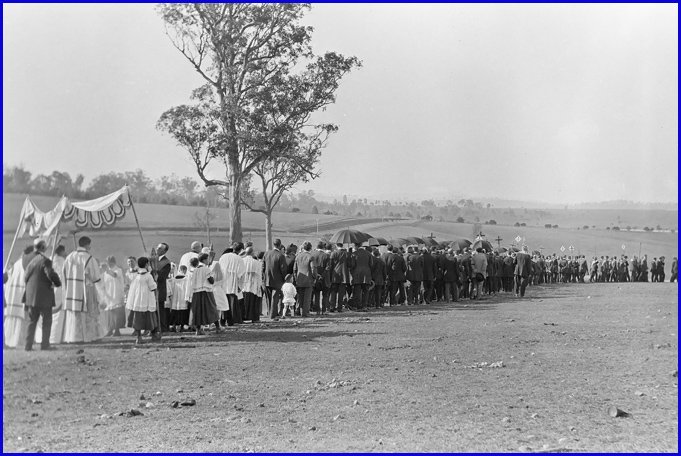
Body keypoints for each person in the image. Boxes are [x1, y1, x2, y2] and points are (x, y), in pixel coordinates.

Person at [62, 236, 104, 343]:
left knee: (75, 314)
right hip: (86, 289)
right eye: (89, 245)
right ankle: (89, 337)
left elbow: (64, 273)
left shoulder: (69, 257)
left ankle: (74, 337)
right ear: (86, 245)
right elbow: (95, 277)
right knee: (89, 313)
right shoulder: (89, 258)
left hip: (72, 289)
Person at [23, 239, 62, 351]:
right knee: (47, 321)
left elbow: (26, 277)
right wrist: (57, 283)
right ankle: (45, 345)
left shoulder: (32, 261)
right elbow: (50, 273)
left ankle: (28, 345)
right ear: (43, 248)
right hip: (44, 296)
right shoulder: (46, 261)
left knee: (32, 321)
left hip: (31, 296)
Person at [3, 245, 33, 348]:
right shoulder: (26, 264)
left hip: (12, 293)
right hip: (19, 293)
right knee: (18, 320)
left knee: (11, 319)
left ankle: (11, 340)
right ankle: (16, 341)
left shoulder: (17, 263)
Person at [126, 257, 160, 344]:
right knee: (150, 317)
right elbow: (152, 287)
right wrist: (155, 280)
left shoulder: (136, 275)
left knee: (138, 318)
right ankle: (153, 335)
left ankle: (139, 337)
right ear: (146, 265)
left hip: (137, 299)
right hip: (147, 299)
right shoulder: (148, 276)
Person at [189, 254, 220, 335]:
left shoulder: (195, 270)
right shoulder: (206, 269)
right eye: (207, 259)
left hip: (196, 292)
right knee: (211, 308)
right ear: (204, 260)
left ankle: (198, 330)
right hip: (206, 291)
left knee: (198, 311)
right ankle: (218, 327)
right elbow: (211, 281)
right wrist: (213, 277)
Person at [101, 256, 126, 337]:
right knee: (110, 313)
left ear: (113, 262)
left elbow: (114, 275)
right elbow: (104, 283)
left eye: (109, 262)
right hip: (109, 294)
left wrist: (107, 270)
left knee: (117, 313)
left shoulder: (118, 270)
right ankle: (110, 330)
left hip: (117, 294)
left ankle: (117, 330)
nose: (108, 264)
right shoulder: (105, 273)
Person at [264, 239, 288, 320]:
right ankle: (272, 315)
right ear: (280, 245)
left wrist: (263, 277)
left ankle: (269, 313)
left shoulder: (266, 253)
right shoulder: (280, 255)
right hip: (277, 280)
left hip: (267, 279)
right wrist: (285, 278)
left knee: (268, 298)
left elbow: (263, 267)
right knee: (275, 298)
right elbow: (283, 269)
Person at [294, 242, 317, 317]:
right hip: (308, 280)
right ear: (310, 248)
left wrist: (296, 278)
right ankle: (305, 313)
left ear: (303, 248)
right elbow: (313, 269)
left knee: (300, 297)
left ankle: (299, 311)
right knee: (307, 298)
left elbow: (294, 269)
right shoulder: (311, 257)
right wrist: (315, 277)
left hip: (299, 279)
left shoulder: (298, 256)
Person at [349, 242, 373, 311]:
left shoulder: (354, 254)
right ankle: (364, 306)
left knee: (357, 291)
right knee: (366, 291)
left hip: (357, 275)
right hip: (366, 274)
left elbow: (352, 265)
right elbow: (371, 264)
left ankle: (358, 306)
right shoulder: (368, 253)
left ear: (356, 246)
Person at [241, 247, 263, 322]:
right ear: (252, 253)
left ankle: (243, 317)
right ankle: (254, 318)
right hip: (253, 285)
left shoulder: (242, 261)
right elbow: (259, 275)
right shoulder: (256, 262)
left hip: (243, 285)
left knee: (243, 302)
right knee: (253, 302)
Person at [311, 241, 331, 315]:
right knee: (325, 295)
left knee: (316, 295)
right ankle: (324, 310)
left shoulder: (312, 255)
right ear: (323, 247)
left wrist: (317, 275)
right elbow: (328, 267)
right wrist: (322, 276)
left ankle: (317, 311)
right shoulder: (326, 256)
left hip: (315, 278)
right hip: (325, 278)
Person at [329, 243, 350, 312]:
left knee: (333, 292)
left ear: (336, 245)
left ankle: (332, 306)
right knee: (341, 293)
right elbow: (350, 264)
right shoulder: (346, 254)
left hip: (335, 275)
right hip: (344, 275)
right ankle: (339, 307)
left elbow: (331, 265)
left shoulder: (333, 253)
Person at [168, 265, 190, 332]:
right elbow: (187, 288)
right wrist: (187, 297)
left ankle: (174, 325)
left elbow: (171, 288)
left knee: (175, 312)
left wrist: (171, 296)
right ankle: (182, 326)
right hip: (183, 298)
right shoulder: (186, 279)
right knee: (183, 312)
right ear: (185, 270)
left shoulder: (174, 279)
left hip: (175, 298)